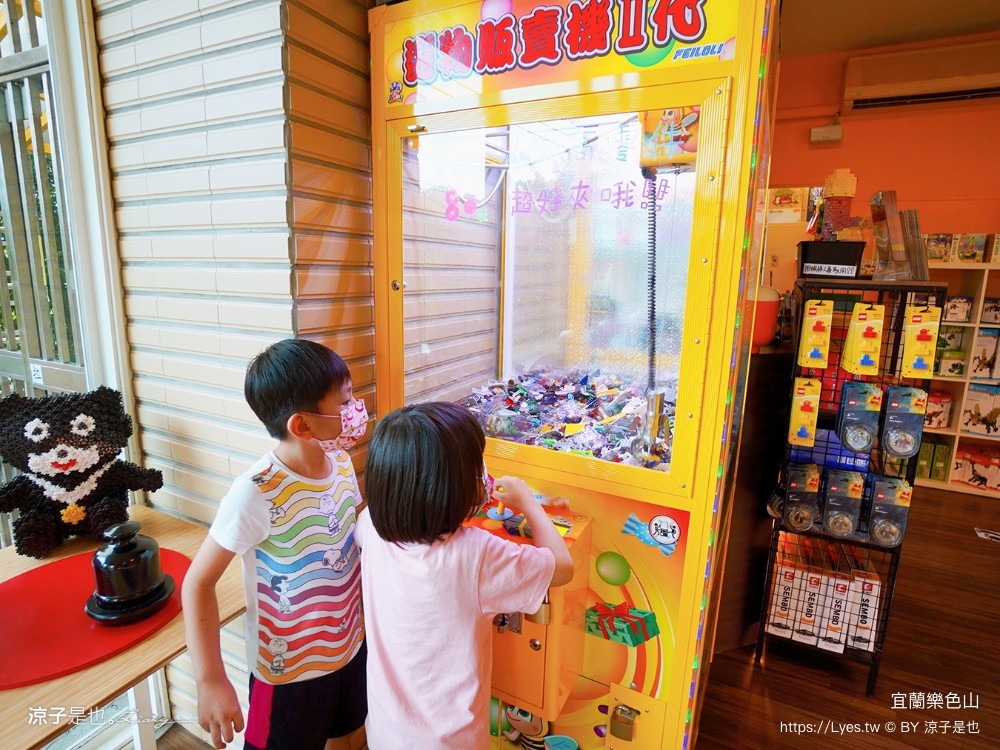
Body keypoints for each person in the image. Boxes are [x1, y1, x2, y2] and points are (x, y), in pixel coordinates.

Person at [182, 339, 369, 750]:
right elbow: (198, 583)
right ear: (302, 425)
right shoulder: (255, 492)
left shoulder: (338, 461)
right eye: (345, 401)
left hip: (350, 648)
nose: (357, 410)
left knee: (346, 736)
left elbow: (352, 536)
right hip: (287, 675)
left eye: (353, 395)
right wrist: (210, 678)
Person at [355, 401, 574, 749]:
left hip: (385, 732)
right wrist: (529, 502)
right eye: (476, 468)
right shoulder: (478, 553)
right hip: (451, 741)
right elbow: (561, 567)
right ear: (450, 489)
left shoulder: (369, 525)